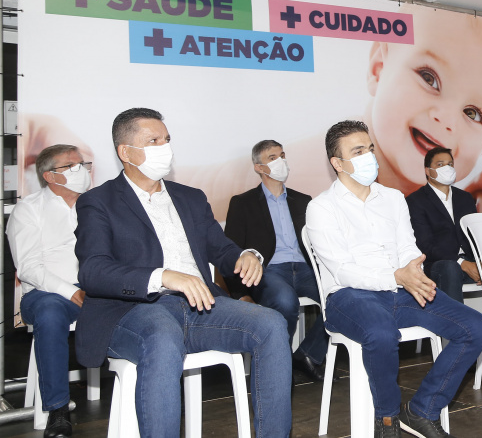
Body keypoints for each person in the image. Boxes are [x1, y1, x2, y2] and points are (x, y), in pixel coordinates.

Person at [177, 5, 482, 220]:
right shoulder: (311, 174)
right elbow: (202, 190)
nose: (446, 118)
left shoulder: (459, 195)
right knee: (218, 182)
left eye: (473, 113)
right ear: (379, 68)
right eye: (429, 78)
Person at [74, 108, 291, 438]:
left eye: (167, 139)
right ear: (125, 152)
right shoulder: (99, 202)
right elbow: (93, 270)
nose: (165, 147)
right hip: (133, 310)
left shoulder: (190, 197)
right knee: (161, 336)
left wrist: (244, 255)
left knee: (272, 324)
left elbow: (221, 248)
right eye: (153, 140)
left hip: (200, 306)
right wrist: (162, 276)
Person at [306, 120, 482, 438]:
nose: (369, 156)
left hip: (401, 288)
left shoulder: (392, 198)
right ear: (337, 163)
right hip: (350, 296)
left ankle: (422, 410)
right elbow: (342, 270)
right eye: (358, 151)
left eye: (370, 148)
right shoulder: (321, 207)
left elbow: (407, 245)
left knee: (475, 327)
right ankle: (387, 419)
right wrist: (396, 275)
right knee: (381, 333)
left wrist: (412, 268)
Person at [224, 139, 329, 381]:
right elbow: (232, 250)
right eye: (273, 157)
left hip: (305, 268)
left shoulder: (303, 200)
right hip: (268, 270)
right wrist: (240, 293)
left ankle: (308, 355)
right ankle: (277, 363)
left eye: (282, 155)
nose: (281, 161)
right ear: (259, 167)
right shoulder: (242, 203)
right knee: (285, 300)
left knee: (337, 298)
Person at [7, 145, 92, 437]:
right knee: (50, 312)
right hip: (46, 294)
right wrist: (71, 292)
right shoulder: (28, 209)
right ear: (50, 176)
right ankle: (57, 409)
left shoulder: (97, 205)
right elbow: (29, 268)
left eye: (82, 164)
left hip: (94, 286)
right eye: (71, 166)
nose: (81, 170)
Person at [406, 146, 482, 303]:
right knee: (450, 268)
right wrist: (462, 263)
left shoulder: (464, 198)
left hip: (472, 262)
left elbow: (474, 236)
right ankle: (458, 326)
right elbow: (424, 245)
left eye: (450, 164)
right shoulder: (415, 201)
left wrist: (480, 262)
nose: (447, 168)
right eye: (440, 164)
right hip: (440, 265)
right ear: (428, 170)